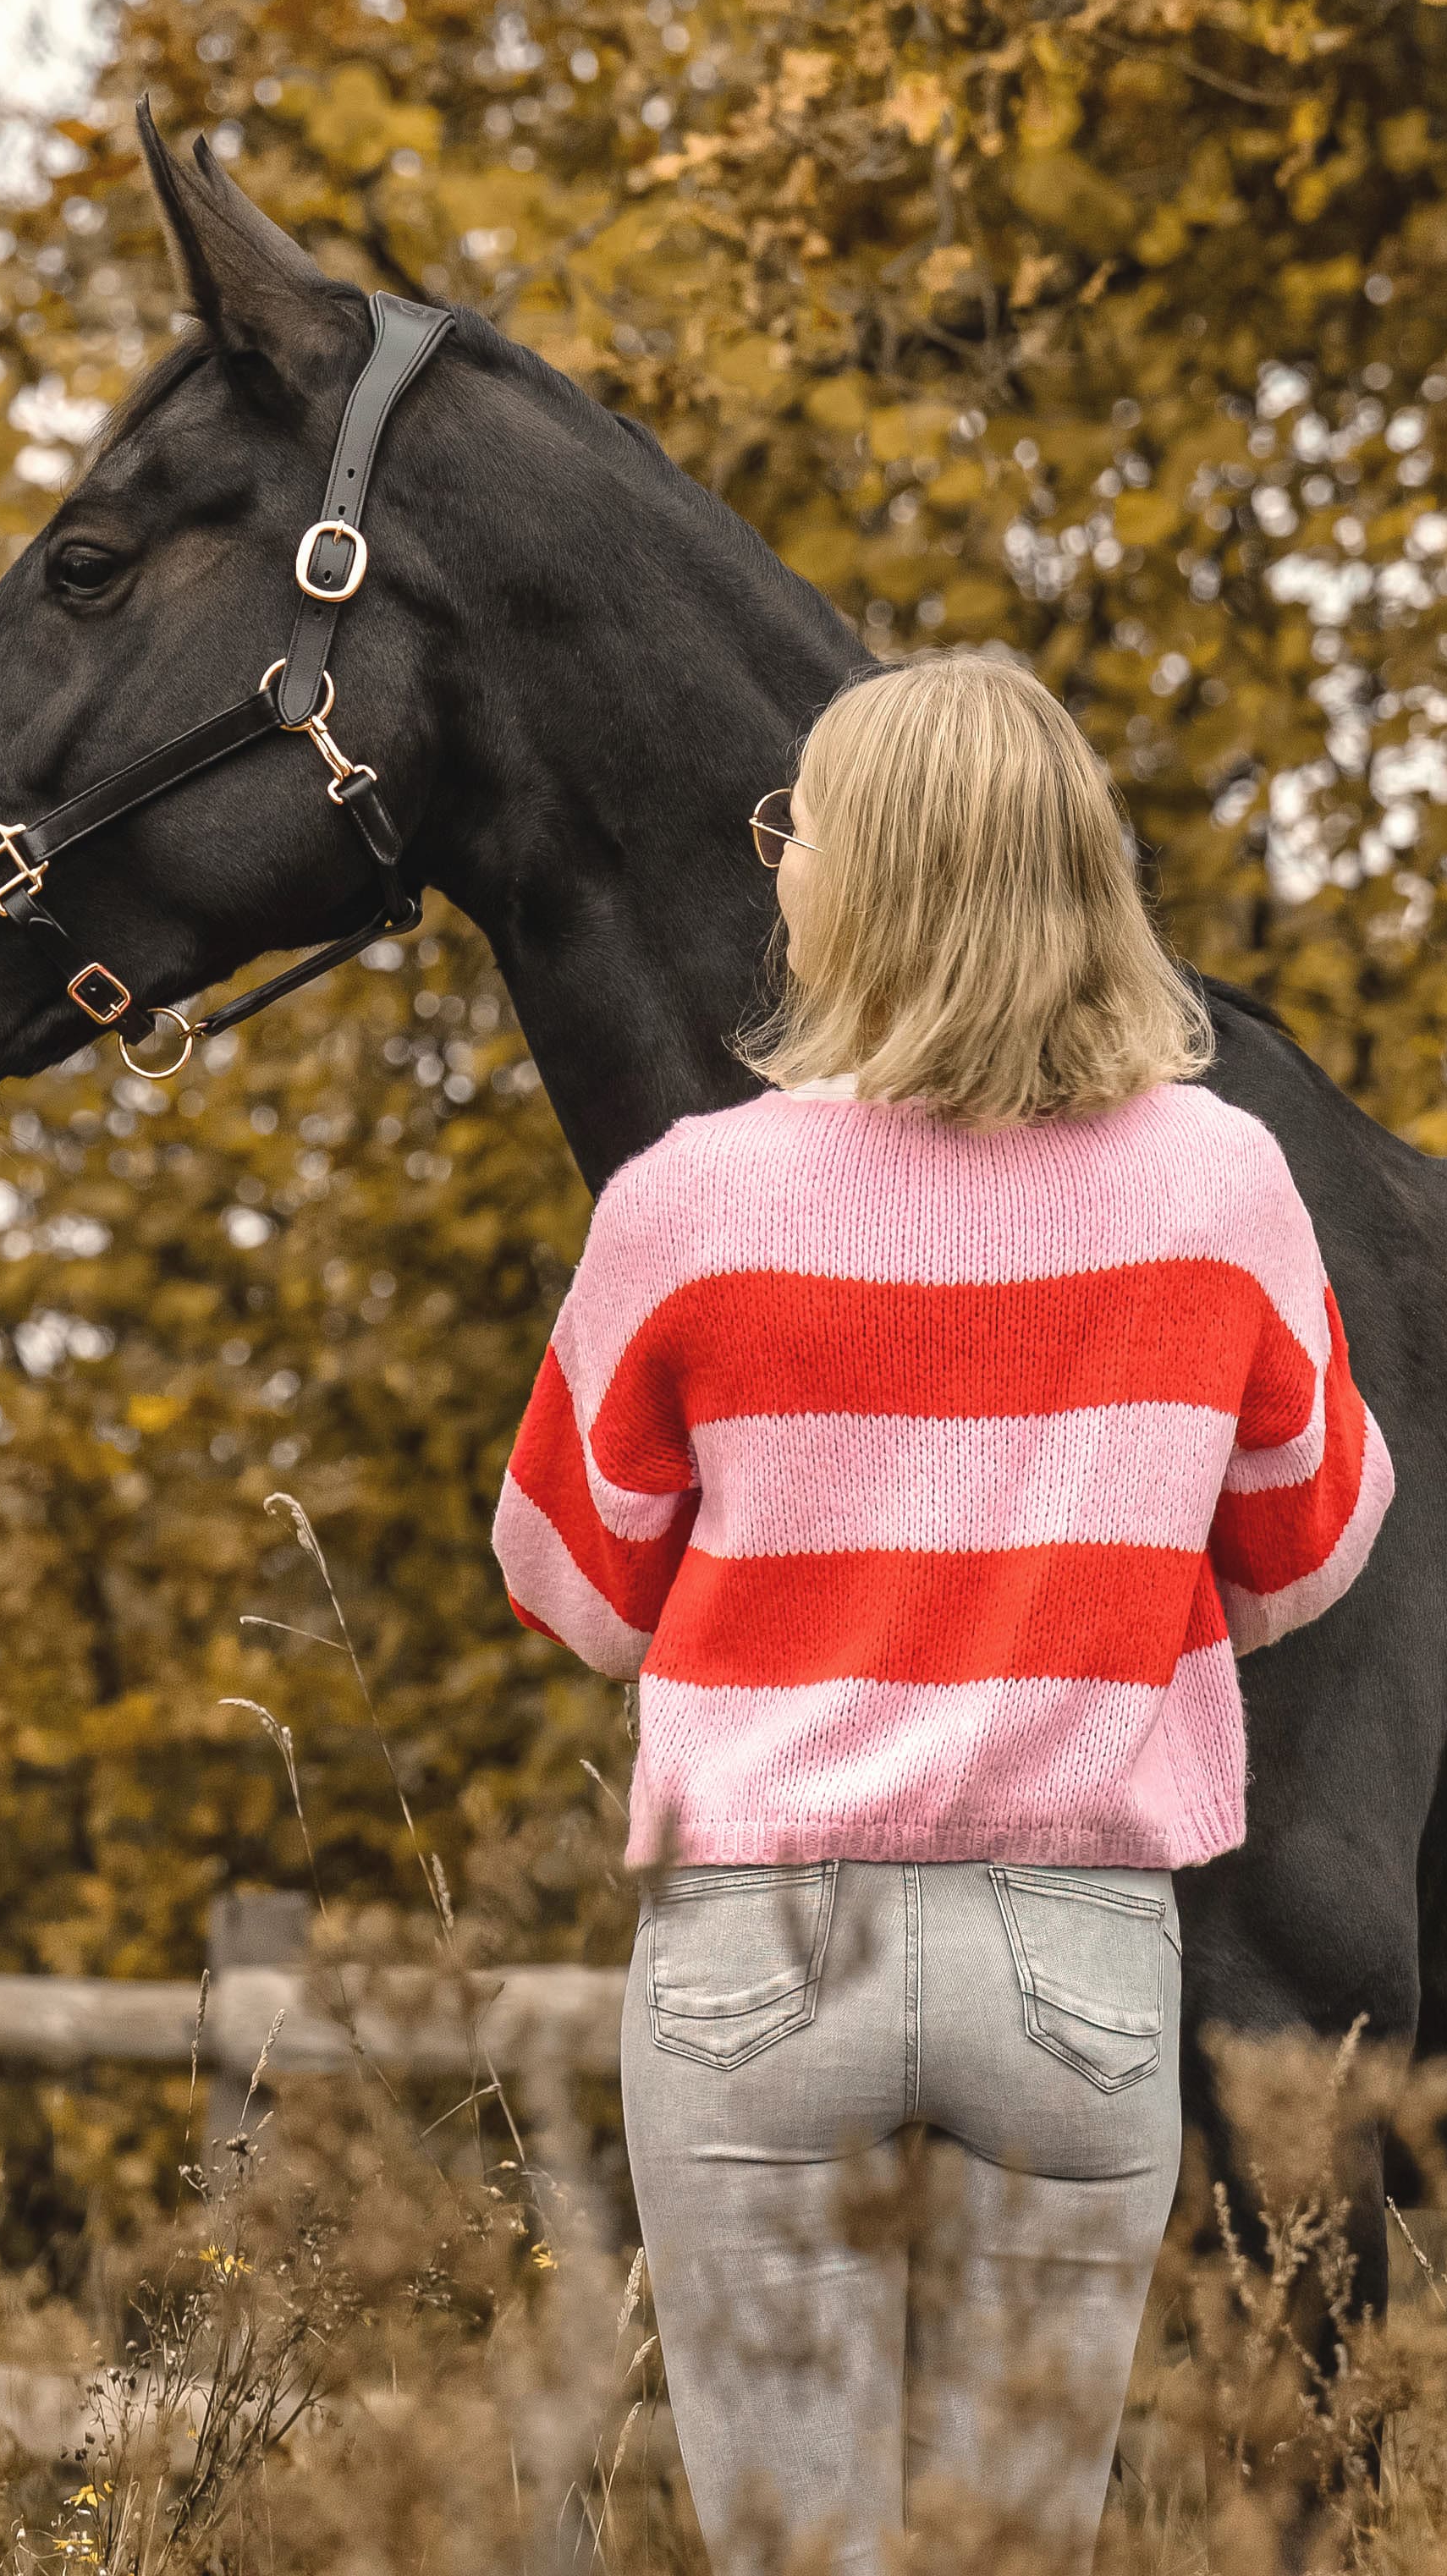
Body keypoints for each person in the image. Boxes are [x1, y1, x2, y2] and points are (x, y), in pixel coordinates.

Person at [492, 651, 1394, 2575]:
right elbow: (1310, 1542)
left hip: (759, 1946)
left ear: (864, 883)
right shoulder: (1223, 1181)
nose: (778, 863)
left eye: (796, 829)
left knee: (785, 2554)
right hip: (1074, 1943)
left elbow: (569, 1577)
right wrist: (1097, 1572)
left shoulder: (690, 1199)